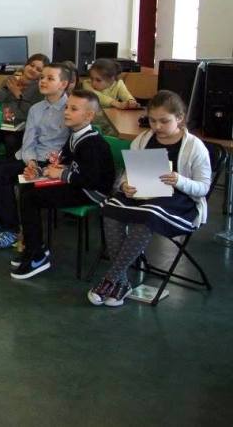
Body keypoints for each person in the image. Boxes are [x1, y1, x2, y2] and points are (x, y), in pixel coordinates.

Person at [90, 91, 212, 306]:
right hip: (144, 195)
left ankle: (110, 278)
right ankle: (121, 282)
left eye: (164, 121)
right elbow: (128, 173)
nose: (157, 126)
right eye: (152, 121)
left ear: (180, 118)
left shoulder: (195, 147)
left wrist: (179, 180)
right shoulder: (143, 139)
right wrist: (125, 185)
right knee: (111, 209)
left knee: (146, 217)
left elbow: (203, 188)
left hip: (180, 202)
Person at [11, 90, 115, 280]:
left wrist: (62, 174)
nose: (66, 112)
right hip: (77, 184)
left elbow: (91, 180)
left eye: (73, 109)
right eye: (67, 107)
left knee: (31, 198)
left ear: (89, 116)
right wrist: (41, 172)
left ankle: (37, 255)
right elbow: (65, 162)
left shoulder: (92, 143)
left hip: (91, 192)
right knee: (28, 188)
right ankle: (35, 247)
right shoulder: (75, 135)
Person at [0, 63, 72, 249]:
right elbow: (28, 141)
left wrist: (42, 164)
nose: (43, 81)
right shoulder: (36, 109)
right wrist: (31, 161)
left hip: (52, 162)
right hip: (31, 157)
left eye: (50, 78)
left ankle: (12, 229)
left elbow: (68, 147)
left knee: (1, 175)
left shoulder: (70, 109)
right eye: (42, 77)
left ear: (63, 84)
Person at [0, 53, 48, 157]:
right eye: (31, 65)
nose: (33, 70)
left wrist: (18, 94)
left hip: (21, 128)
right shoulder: (11, 80)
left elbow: (30, 113)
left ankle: (9, 164)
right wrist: (7, 89)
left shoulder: (39, 89)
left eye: (38, 69)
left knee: (10, 140)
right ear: (26, 65)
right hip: (3, 123)